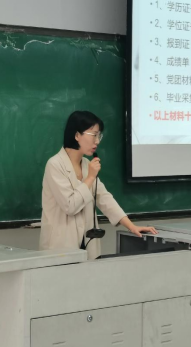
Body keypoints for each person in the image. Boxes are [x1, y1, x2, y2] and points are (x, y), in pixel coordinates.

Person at [39, 111, 157, 260]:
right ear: (77, 135)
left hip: (87, 242)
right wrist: (90, 177)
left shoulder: (86, 164)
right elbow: (70, 206)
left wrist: (131, 226)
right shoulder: (55, 165)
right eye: (94, 135)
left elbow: (104, 198)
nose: (97, 141)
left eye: (99, 136)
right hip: (60, 245)